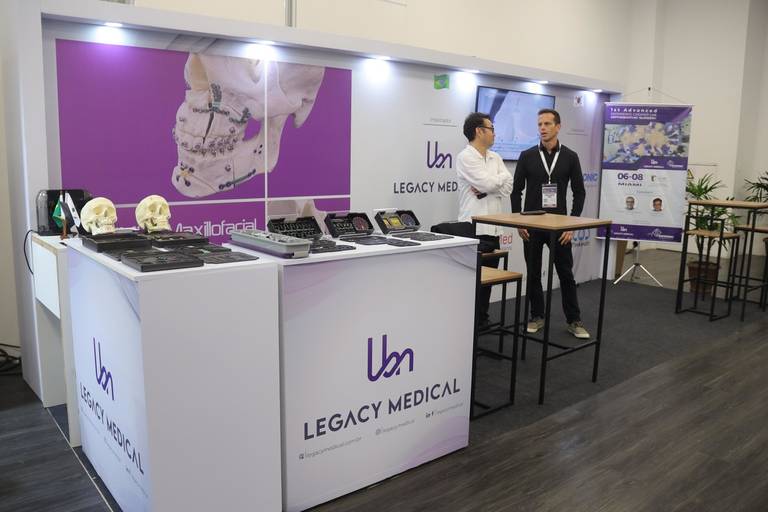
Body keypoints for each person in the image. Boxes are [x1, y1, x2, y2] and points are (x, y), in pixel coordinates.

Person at [510, 109, 589, 339]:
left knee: (566, 274)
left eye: (547, 124)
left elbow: (579, 192)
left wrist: (572, 225)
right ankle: (537, 316)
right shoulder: (527, 156)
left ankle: (574, 320)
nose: (542, 128)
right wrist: (518, 222)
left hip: (560, 228)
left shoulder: (570, 156)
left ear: (558, 127)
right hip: (531, 226)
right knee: (533, 273)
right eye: (540, 124)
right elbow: (516, 191)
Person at [456, 112, 514, 328]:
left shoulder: (495, 157)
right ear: (479, 131)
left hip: (495, 227)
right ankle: (468, 323)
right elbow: (488, 184)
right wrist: (493, 184)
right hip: (474, 227)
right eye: (491, 129)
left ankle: (482, 319)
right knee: (474, 279)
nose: (494, 133)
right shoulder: (466, 157)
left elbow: (508, 186)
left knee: (489, 279)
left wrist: (490, 186)